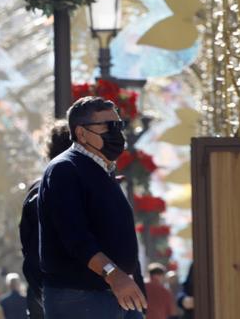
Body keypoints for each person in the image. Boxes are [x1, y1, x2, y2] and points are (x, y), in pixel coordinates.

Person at [38, 96, 148, 318]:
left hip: (115, 294)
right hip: (80, 298)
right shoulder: (65, 169)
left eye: (119, 125)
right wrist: (113, 274)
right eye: (107, 126)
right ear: (81, 133)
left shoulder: (102, 171)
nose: (116, 132)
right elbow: (75, 237)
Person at [19, 121, 70, 319]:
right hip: (78, 291)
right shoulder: (84, 188)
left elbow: (26, 241)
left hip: (42, 287)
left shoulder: (36, 190)